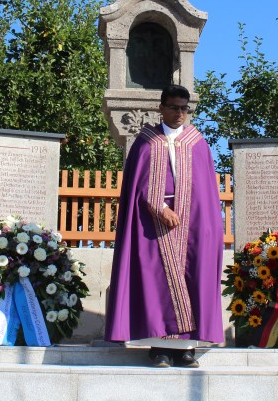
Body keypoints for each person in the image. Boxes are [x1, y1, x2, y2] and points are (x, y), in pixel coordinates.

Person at [105, 84, 223, 368]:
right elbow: (138, 186)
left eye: (184, 108)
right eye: (174, 107)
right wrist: (160, 208)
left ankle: (186, 348)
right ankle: (159, 347)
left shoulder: (198, 142)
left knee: (192, 277)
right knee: (155, 282)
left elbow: (206, 191)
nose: (180, 113)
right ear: (161, 107)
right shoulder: (146, 141)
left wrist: (206, 226)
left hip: (191, 224)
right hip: (152, 224)